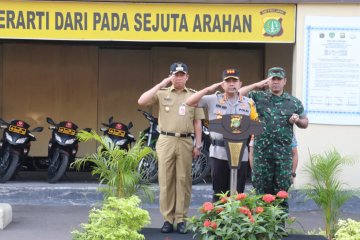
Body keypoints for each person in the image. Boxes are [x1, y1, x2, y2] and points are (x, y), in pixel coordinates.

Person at [137, 62, 204, 234]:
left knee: (183, 181)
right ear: (171, 75)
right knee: (166, 181)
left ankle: (181, 219)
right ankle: (168, 219)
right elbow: (142, 101)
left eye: (182, 75)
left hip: (185, 141)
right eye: (176, 74)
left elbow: (198, 122)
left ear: (187, 76)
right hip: (166, 139)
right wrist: (162, 83)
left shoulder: (194, 95)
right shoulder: (162, 93)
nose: (179, 78)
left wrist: (198, 144)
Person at [240, 67, 308, 212]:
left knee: (281, 193)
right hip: (261, 155)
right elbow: (237, 94)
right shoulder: (258, 97)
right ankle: (261, 227)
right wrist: (256, 84)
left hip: (282, 157)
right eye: (272, 79)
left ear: (285, 81)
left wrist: (297, 121)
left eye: (279, 79)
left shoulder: (294, 102)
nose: (275, 82)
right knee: (261, 193)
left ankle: (279, 227)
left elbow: (305, 123)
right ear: (268, 81)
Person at [186, 68, 259, 202]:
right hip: (219, 153)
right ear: (223, 84)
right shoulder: (213, 99)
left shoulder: (248, 103)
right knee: (219, 194)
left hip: (240, 153)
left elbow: (255, 124)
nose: (231, 84)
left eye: (234, 81)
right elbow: (189, 102)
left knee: (238, 194)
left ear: (240, 84)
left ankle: (235, 220)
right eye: (228, 81)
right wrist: (208, 89)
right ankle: (218, 222)